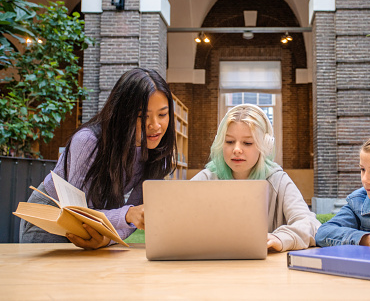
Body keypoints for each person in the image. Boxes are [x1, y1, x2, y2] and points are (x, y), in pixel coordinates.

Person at [19, 68, 177, 249]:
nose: (155, 125)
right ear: (122, 114)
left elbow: (137, 216)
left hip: (94, 224)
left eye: (163, 114)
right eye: (142, 116)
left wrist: (108, 238)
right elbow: (76, 211)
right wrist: (126, 215)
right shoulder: (89, 141)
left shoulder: (158, 152)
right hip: (52, 219)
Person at [192, 103, 321, 252]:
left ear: (265, 145)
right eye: (229, 142)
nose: (237, 150)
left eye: (247, 143)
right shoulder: (206, 178)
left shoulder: (278, 180)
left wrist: (281, 238)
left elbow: (310, 224)